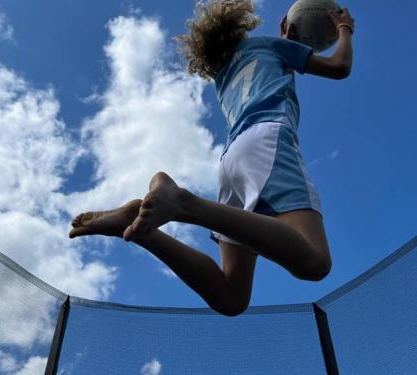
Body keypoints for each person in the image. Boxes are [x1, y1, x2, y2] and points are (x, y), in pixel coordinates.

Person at [70, 0, 354, 317]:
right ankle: (184, 204)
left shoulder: (224, 75)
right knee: (314, 262)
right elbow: (339, 67)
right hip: (268, 142)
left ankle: (138, 225)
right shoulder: (269, 47)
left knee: (230, 297)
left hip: (232, 161)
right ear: (239, 26)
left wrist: (287, 43)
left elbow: (268, 69)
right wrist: (344, 29)